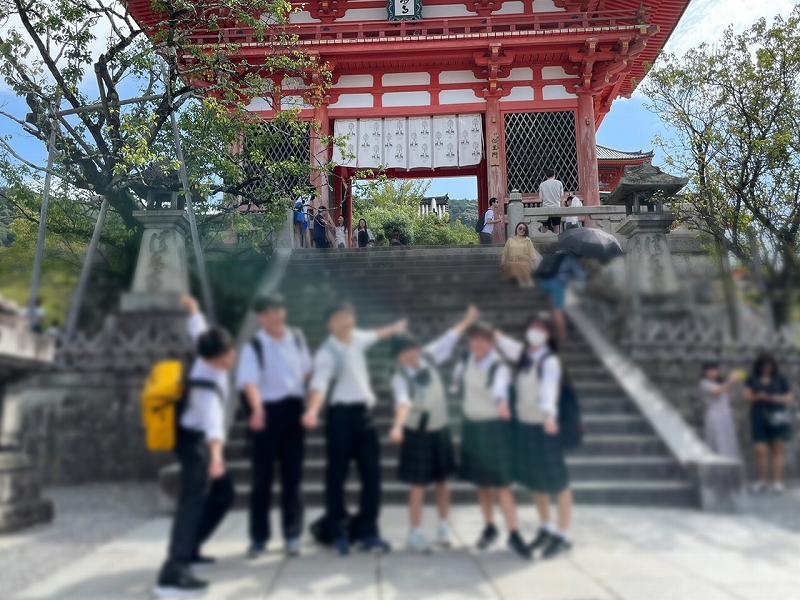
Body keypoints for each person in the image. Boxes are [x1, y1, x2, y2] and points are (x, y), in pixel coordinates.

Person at [304, 303, 407, 555]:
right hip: (340, 418)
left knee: (372, 476)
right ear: (329, 324)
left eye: (348, 316)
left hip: (364, 416)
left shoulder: (357, 337)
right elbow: (319, 385)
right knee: (336, 476)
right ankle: (338, 530)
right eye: (339, 318)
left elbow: (376, 334)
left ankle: (368, 531)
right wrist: (312, 410)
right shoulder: (326, 353)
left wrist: (395, 328)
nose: (345, 321)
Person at [154, 296, 236, 598]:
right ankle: (172, 573)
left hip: (196, 440)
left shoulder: (205, 351)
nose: (228, 361)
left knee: (224, 494)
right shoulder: (206, 383)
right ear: (213, 359)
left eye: (229, 355)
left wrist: (194, 310)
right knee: (191, 502)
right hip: (195, 444)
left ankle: (191, 550)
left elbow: (198, 332)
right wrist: (216, 459)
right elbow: (213, 426)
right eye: (224, 359)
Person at [389, 306, 480, 553]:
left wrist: (468, 320)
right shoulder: (399, 377)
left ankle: (443, 527)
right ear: (397, 356)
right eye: (403, 353)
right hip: (417, 433)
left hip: (440, 429)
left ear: (418, 348)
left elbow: (449, 337)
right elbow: (403, 403)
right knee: (418, 484)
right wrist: (398, 426)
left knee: (443, 482)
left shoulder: (428, 356)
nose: (409, 355)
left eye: (411, 349)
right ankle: (416, 532)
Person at [236, 294, 312, 559]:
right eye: (266, 312)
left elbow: (306, 372)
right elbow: (250, 383)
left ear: (284, 312)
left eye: (277, 310)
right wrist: (257, 410)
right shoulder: (254, 345)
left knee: (293, 478)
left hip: (293, 413)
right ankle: (259, 538)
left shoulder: (298, 338)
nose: (273, 316)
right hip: (266, 415)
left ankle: (292, 535)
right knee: (262, 480)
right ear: (260, 317)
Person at [495, 315, 573, 560]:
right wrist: (487, 329)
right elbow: (504, 343)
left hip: (545, 427)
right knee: (536, 481)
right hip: (525, 426)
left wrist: (549, 416)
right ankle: (546, 527)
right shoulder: (524, 356)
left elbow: (549, 389)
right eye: (532, 327)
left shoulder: (550, 361)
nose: (535, 332)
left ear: (549, 334)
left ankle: (563, 535)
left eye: (541, 328)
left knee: (559, 483)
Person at [453, 321, 530, 560]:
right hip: (472, 426)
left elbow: (499, 390)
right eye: (474, 338)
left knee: (502, 484)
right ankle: (490, 527)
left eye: (484, 339)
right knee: (481, 483)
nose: (478, 343)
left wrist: (502, 403)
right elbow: (457, 383)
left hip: (495, 427)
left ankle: (514, 533)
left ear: (492, 342)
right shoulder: (465, 360)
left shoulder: (499, 367)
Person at [744, 353, 794, 493]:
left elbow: (790, 398)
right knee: (760, 450)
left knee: (778, 449)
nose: (767, 369)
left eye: (769, 366)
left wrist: (776, 398)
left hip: (777, 416)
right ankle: (762, 482)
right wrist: (757, 396)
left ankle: (778, 482)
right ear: (759, 366)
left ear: (773, 366)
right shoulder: (752, 379)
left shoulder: (780, 379)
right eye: (764, 366)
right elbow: (747, 397)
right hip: (759, 416)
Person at [534, 251, 586, 342]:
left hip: (543, 282)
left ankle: (552, 332)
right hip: (556, 285)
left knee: (552, 308)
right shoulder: (570, 258)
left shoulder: (551, 255)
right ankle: (562, 336)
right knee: (558, 310)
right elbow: (581, 276)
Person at [699, 362, 743, 462]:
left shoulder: (722, 384)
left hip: (726, 417)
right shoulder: (704, 383)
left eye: (715, 370)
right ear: (705, 372)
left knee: (729, 443)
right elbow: (717, 392)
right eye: (710, 370)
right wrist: (731, 381)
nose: (713, 372)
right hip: (714, 417)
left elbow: (730, 398)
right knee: (717, 442)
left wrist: (736, 382)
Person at [501, 222, 541, 288]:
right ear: (516, 228)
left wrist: (535, 264)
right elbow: (505, 253)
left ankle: (526, 280)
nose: (522, 230)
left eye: (524, 229)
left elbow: (532, 253)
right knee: (512, 264)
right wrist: (502, 262)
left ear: (525, 231)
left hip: (525, 261)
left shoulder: (527, 240)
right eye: (520, 228)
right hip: (512, 261)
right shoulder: (510, 240)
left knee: (523, 264)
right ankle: (521, 280)